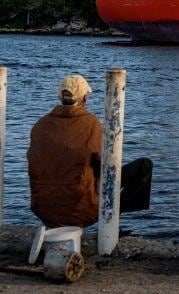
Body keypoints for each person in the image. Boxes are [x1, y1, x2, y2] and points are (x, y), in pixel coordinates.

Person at [28, 74, 153, 229]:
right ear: (85, 98)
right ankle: (113, 214)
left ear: (60, 96)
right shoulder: (91, 123)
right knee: (144, 165)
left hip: (44, 208)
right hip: (81, 208)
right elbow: (104, 165)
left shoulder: (41, 124)